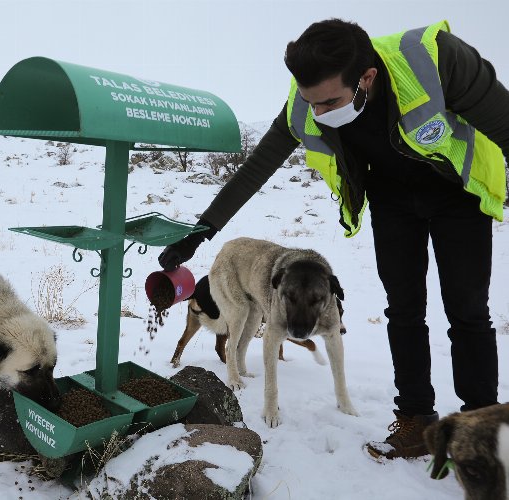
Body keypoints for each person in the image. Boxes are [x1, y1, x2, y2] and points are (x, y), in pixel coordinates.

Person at [158, 18, 509, 460]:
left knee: (468, 310)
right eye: (311, 103)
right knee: (403, 309)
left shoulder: (435, 61)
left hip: (457, 190)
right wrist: (200, 232)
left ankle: (480, 428)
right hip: (392, 199)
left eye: (330, 102)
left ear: (367, 78)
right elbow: (257, 167)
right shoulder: (307, 102)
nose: (318, 114)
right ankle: (416, 420)